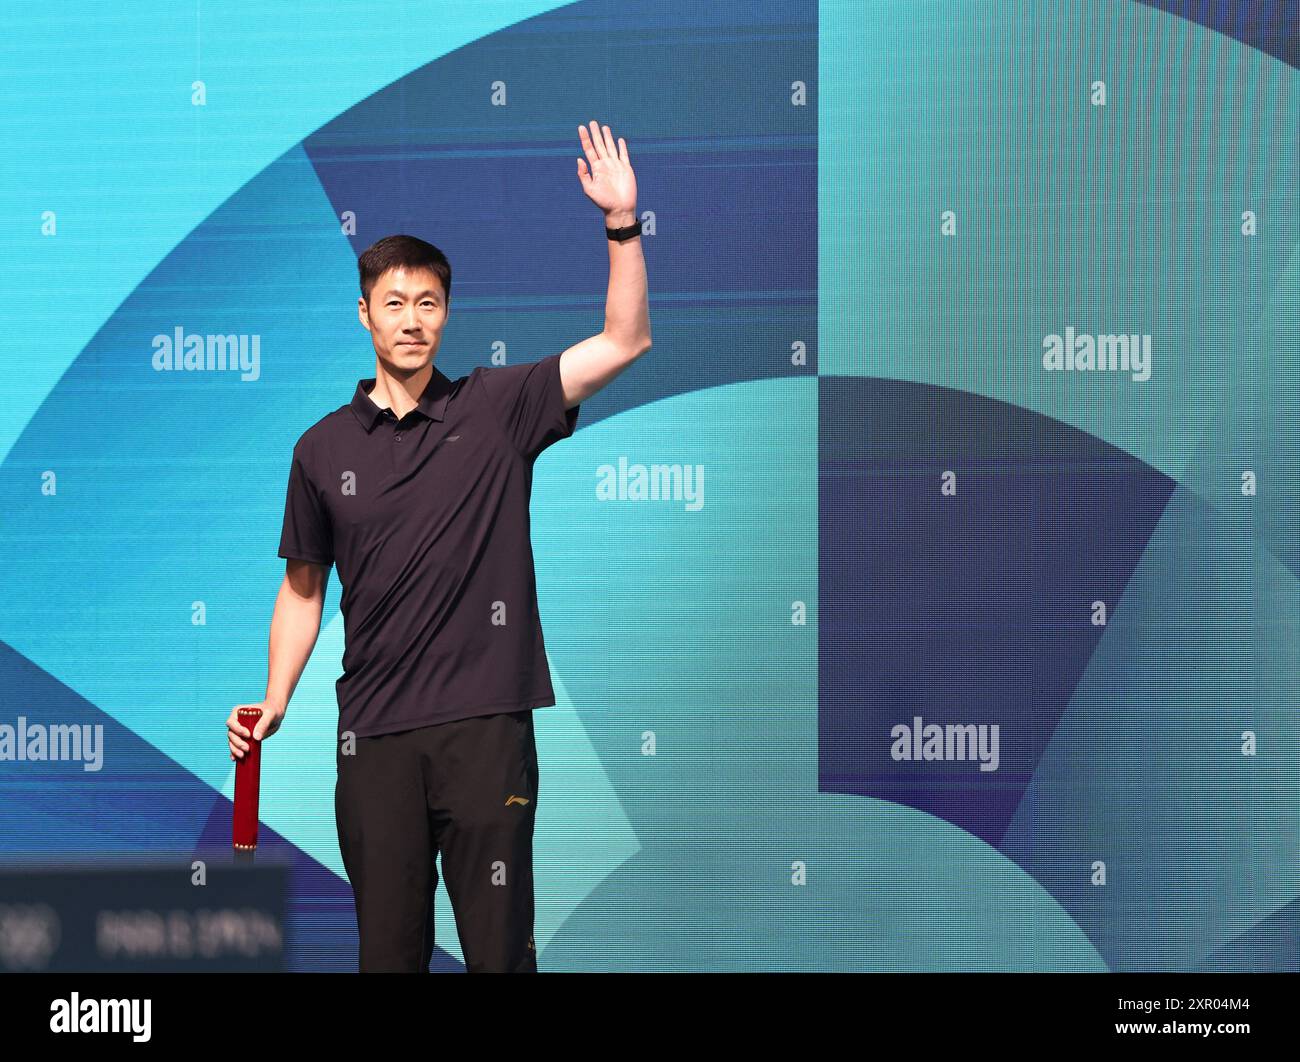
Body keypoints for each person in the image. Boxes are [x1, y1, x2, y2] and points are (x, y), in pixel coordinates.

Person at [226, 121, 650, 972]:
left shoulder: (500, 407)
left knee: (498, 954)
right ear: (365, 314)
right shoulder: (319, 449)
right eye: (394, 303)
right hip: (373, 740)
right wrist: (275, 699)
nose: (412, 321)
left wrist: (621, 224)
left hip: (485, 731)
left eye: (428, 304)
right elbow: (303, 588)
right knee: (388, 957)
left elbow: (623, 342)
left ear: (447, 313)